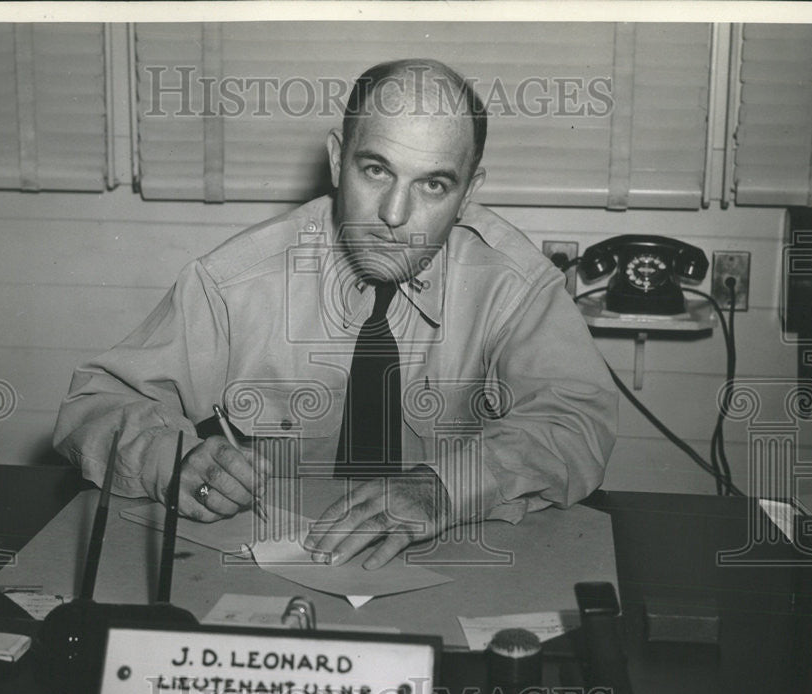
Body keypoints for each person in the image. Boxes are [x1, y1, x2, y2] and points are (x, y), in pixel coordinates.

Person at [54, 58, 617, 570]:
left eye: (434, 184)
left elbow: (575, 422)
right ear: (335, 159)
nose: (394, 215)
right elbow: (96, 403)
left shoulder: (513, 286)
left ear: (469, 194)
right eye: (375, 170)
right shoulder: (234, 281)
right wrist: (172, 460)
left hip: (453, 562)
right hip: (267, 565)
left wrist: (446, 488)